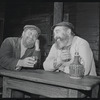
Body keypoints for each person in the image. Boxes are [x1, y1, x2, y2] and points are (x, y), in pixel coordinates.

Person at [0, 25, 41, 98]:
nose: (31, 37)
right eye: (30, 33)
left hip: (19, 79)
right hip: (3, 77)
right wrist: (21, 62)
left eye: (35, 36)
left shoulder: (32, 48)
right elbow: (2, 59)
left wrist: (37, 48)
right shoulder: (9, 41)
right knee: (18, 93)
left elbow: (37, 66)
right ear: (23, 33)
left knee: (35, 92)